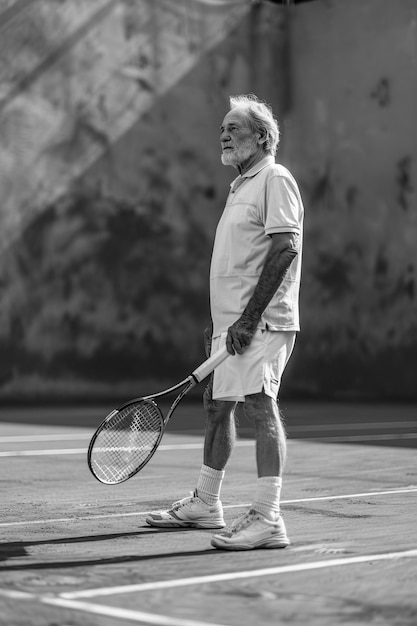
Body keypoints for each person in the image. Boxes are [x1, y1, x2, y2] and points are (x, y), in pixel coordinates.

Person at [146, 94, 304, 550]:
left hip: (263, 322)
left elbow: (285, 249)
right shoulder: (241, 187)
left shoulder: (274, 178)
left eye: (234, 128)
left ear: (262, 137)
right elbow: (240, 261)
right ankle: (206, 502)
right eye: (222, 128)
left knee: (259, 404)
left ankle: (267, 518)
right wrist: (221, 324)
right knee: (217, 407)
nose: (224, 135)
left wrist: (249, 318)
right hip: (231, 325)